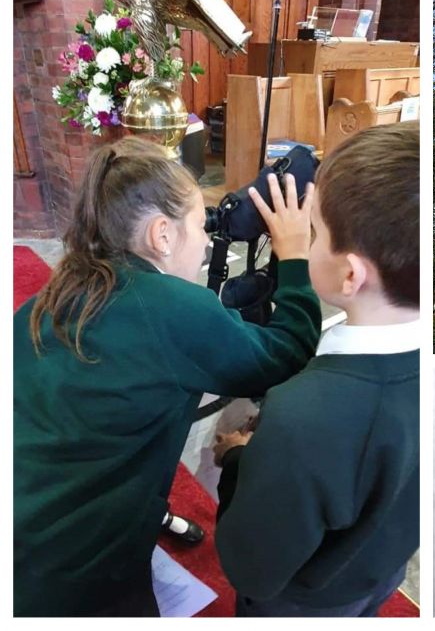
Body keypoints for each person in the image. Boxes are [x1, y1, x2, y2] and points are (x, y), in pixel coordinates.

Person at [13, 137, 320, 616]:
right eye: (201, 224)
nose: (205, 242)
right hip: (75, 578)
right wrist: (295, 256)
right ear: (162, 235)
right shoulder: (171, 311)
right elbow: (289, 353)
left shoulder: (52, 295)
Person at [212, 121, 419, 617]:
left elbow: (251, 568)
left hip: (298, 604)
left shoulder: (305, 417)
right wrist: (295, 257)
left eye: (316, 231)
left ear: (351, 274)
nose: (304, 237)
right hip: (376, 572)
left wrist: (241, 460)